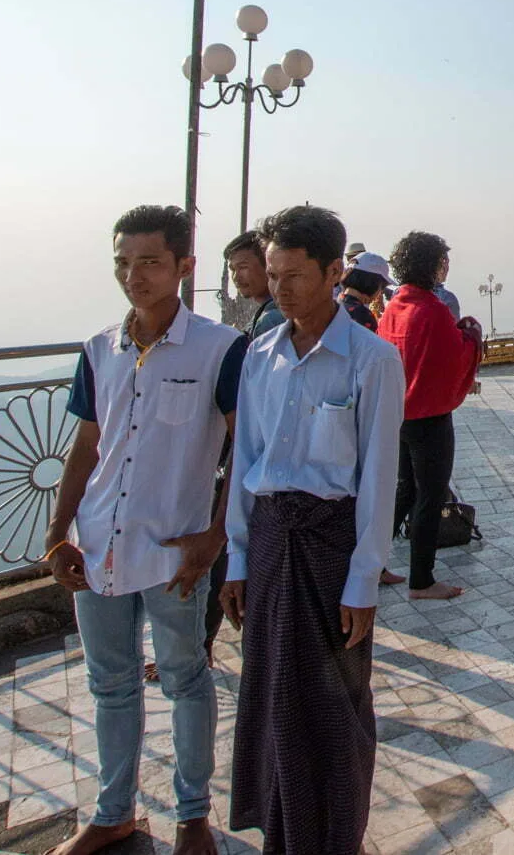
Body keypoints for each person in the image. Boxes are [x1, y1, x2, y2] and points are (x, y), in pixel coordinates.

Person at [42, 206, 247, 855]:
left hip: (175, 550)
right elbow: (85, 445)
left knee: (187, 678)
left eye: (150, 260)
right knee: (111, 683)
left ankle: (192, 812)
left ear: (185, 266)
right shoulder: (100, 349)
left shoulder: (220, 348)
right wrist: (57, 532)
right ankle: (113, 811)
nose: (135, 274)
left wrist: (218, 535)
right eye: (123, 262)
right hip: (99, 544)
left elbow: (246, 447)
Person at [221, 205, 405, 855]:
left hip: (332, 549)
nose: (280, 289)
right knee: (271, 691)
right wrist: (238, 558)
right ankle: (284, 829)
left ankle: (335, 836)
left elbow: (380, 475)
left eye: (295, 275)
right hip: (271, 541)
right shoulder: (260, 355)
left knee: (336, 703)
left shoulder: (372, 360)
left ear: (334, 272)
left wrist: (364, 579)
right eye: (271, 275)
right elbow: (246, 458)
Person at [376, 232, 483, 601]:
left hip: (399, 416)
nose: (446, 267)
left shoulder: (393, 307)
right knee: (430, 495)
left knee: (404, 491)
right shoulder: (433, 310)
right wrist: (472, 334)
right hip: (430, 418)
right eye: (442, 261)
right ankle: (421, 580)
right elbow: (454, 358)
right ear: (431, 265)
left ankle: (371, 564)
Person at [226, 230, 285, 338]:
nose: (236, 277)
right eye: (233, 269)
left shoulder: (270, 320)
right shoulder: (266, 315)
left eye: (243, 267)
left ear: (269, 266)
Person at [340, 251, 389, 332]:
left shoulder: (333, 305)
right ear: (373, 283)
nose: (380, 292)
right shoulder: (363, 316)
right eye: (382, 287)